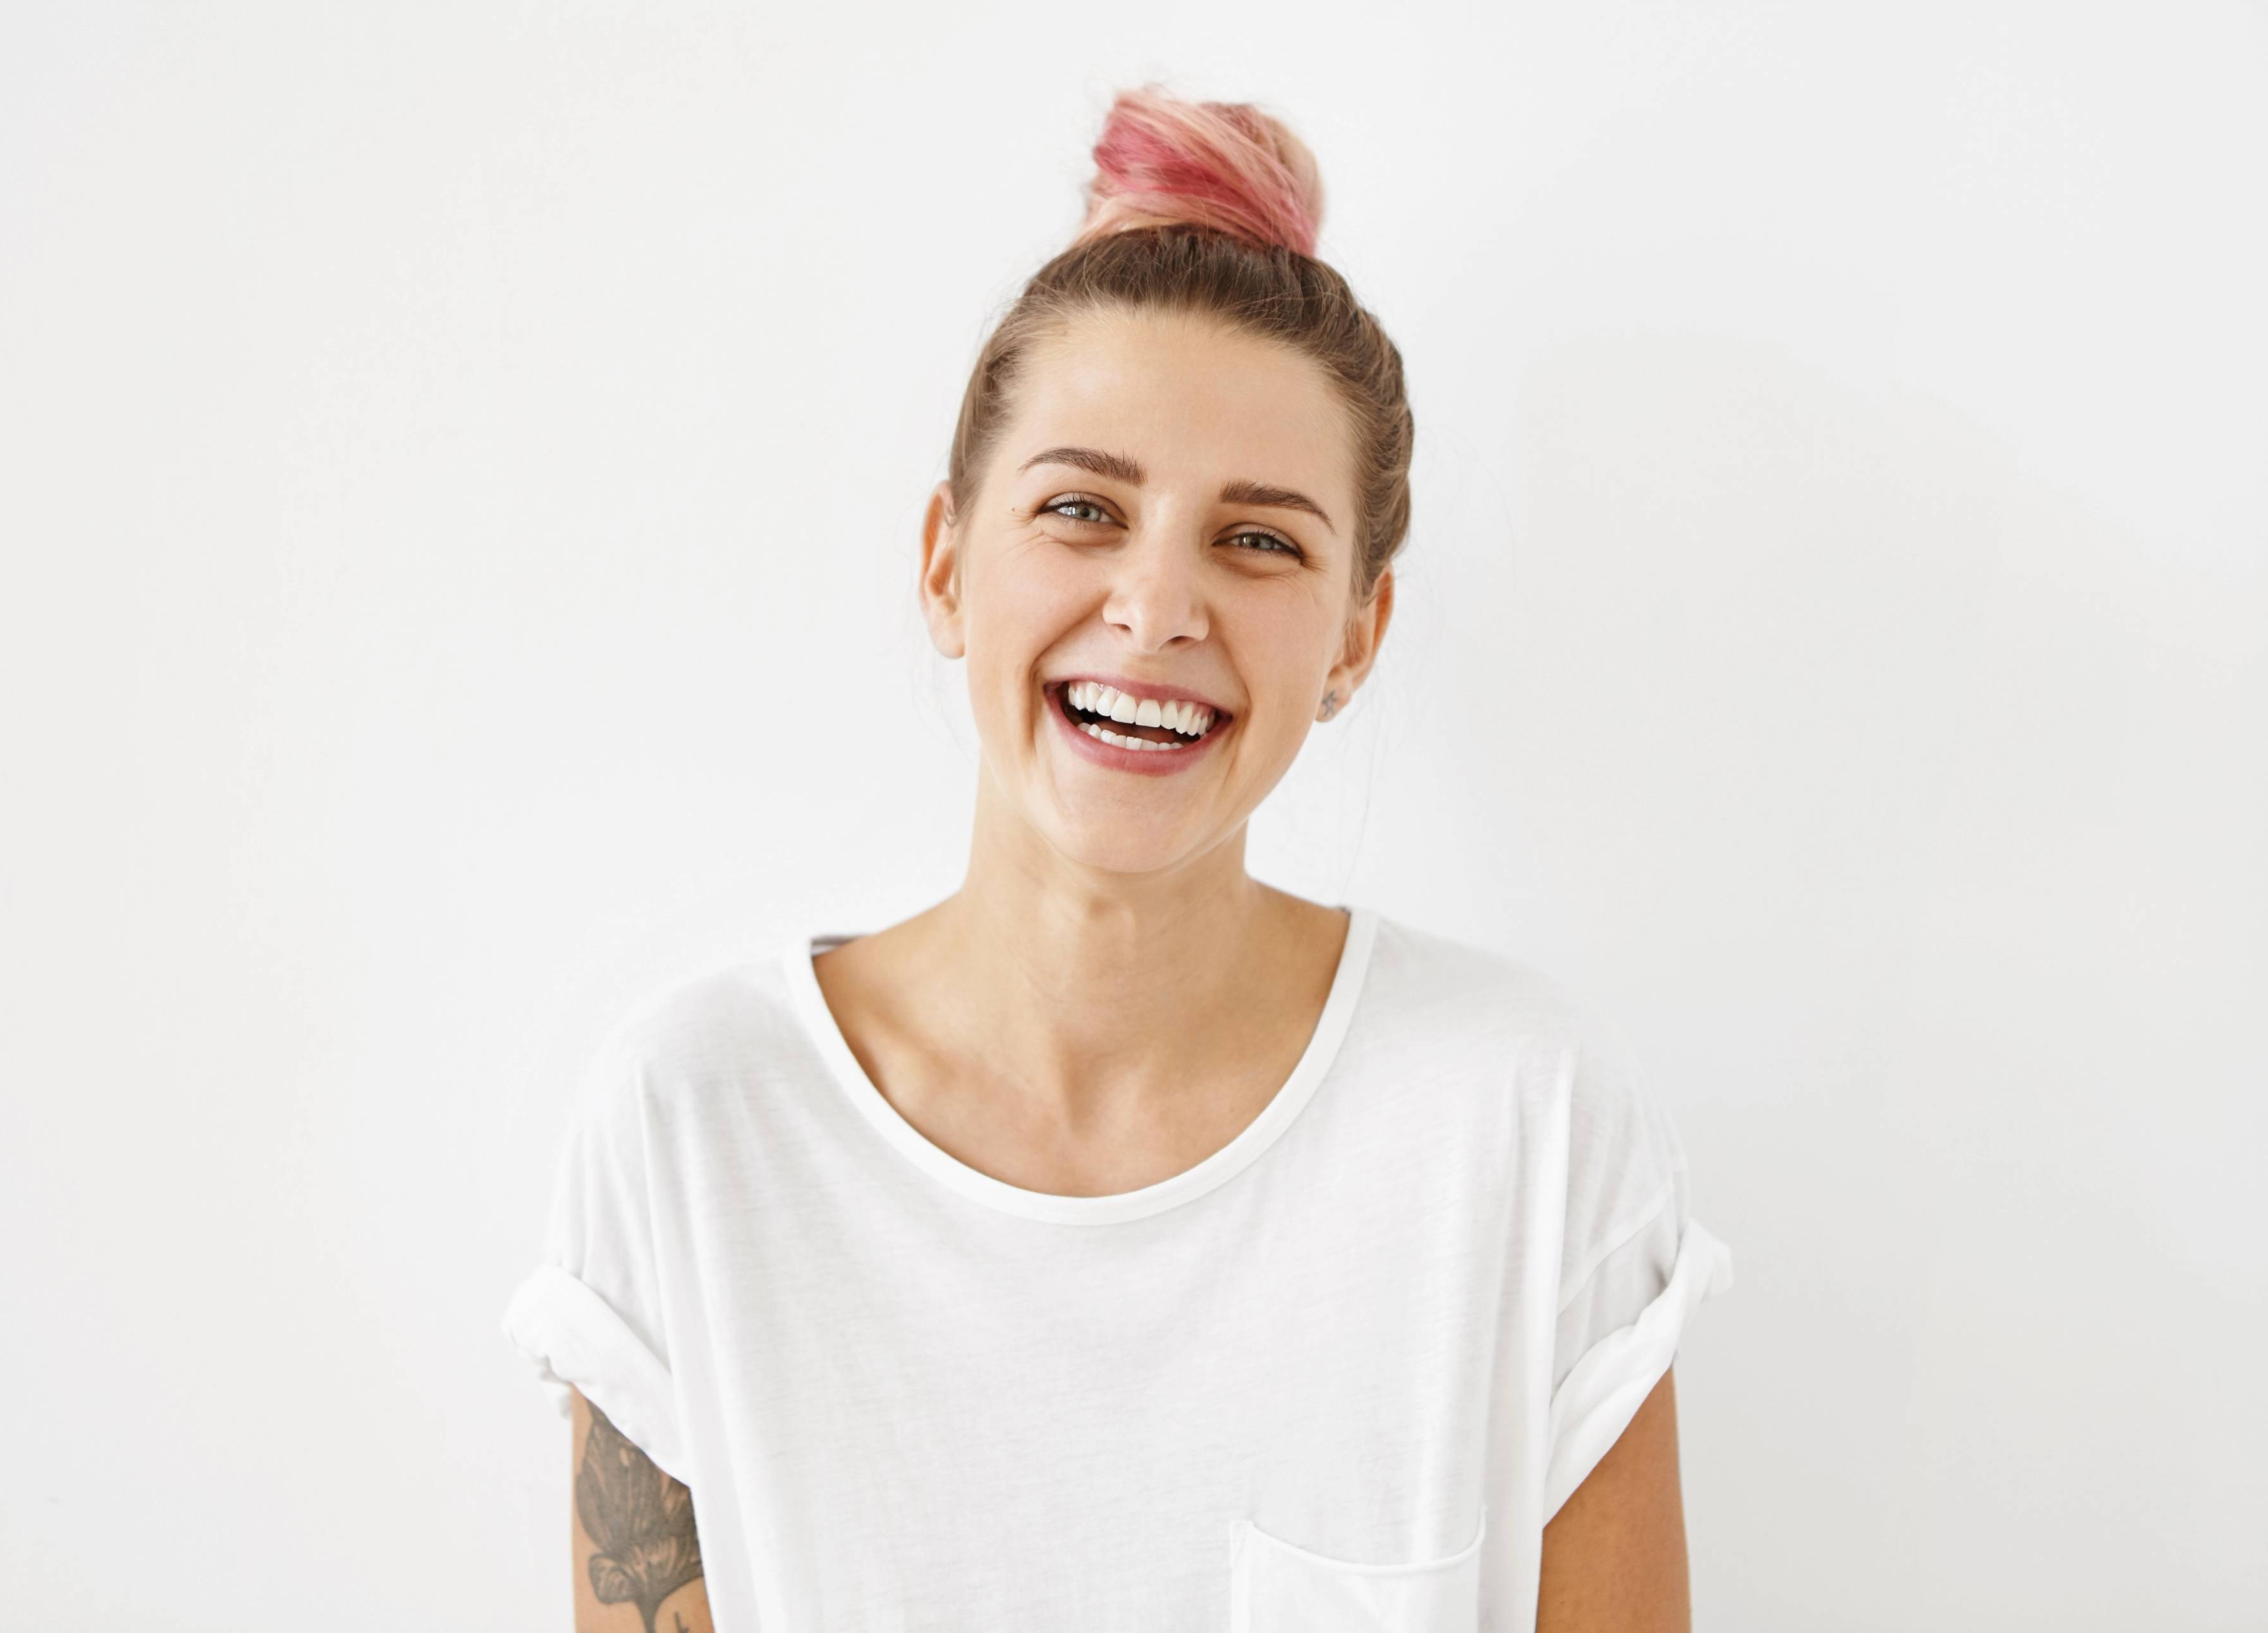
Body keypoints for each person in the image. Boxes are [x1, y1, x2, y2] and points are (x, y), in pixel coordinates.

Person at [503, 84, 1732, 1633]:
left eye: (1261, 538)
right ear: (948, 563)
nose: (1157, 607)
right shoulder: (695, 1125)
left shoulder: (1524, 1121)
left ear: (1358, 632)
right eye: (1084, 508)